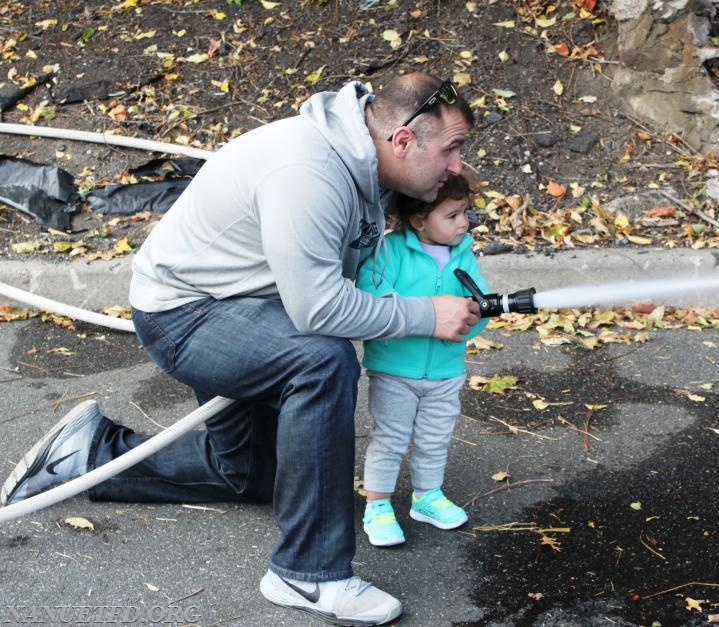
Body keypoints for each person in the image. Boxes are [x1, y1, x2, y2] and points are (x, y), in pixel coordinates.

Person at [0, 72, 480, 626]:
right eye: (452, 149)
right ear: (401, 141)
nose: (456, 169)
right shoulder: (310, 172)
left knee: (255, 474)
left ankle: (90, 454)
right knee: (322, 361)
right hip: (187, 315)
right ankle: (308, 573)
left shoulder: (367, 163)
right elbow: (319, 311)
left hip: (248, 305)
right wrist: (425, 315)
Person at [357, 173, 489, 548]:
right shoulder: (390, 252)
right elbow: (373, 300)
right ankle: (378, 505)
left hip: (446, 372)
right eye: (452, 215)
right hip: (395, 370)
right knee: (391, 439)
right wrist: (425, 319)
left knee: (435, 439)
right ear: (419, 220)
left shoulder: (463, 255)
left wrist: (477, 318)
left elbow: (479, 304)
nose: (464, 222)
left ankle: (426, 497)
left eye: (465, 213)